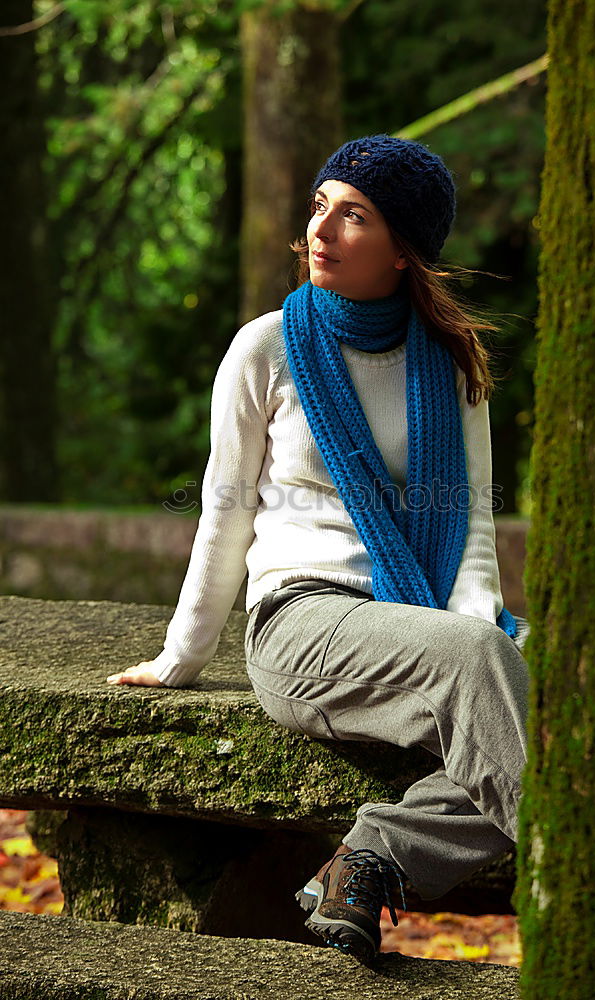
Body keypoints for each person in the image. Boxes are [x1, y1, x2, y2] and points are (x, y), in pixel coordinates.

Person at [106, 134, 530, 964]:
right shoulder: (264, 348)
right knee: (486, 670)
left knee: (537, 686)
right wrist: (180, 656)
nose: (320, 231)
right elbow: (223, 514)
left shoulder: (447, 362)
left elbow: (471, 523)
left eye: (353, 214)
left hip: (412, 623)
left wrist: (475, 623)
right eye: (318, 208)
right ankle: (590, 870)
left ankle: (373, 854)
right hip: (300, 622)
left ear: (402, 251)